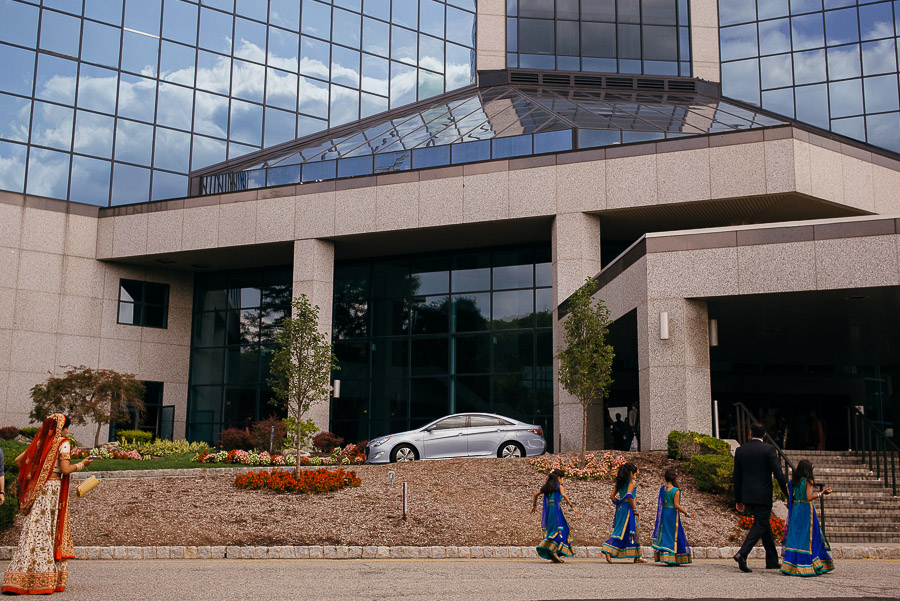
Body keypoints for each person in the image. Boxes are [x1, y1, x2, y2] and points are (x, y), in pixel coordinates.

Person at [1, 414, 93, 595]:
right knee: (48, 530)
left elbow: (19, 461)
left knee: (34, 530)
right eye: (67, 427)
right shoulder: (62, 443)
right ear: (62, 428)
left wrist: (37, 469)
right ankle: (44, 578)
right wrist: (82, 464)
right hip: (52, 490)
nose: (67, 431)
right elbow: (65, 469)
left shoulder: (41, 443)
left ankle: (21, 578)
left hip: (38, 490)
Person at [732, 422, 788, 573]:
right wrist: (787, 492)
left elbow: (736, 476)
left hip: (747, 494)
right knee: (761, 523)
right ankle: (742, 553)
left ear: (750, 434)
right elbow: (778, 474)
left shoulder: (740, 450)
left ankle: (771, 560)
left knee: (764, 524)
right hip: (763, 494)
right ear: (764, 435)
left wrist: (738, 498)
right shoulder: (769, 450)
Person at [781, 460, 834, 577]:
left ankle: (790, 565)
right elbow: (810, 497)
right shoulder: (808, 481)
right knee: (808, 535)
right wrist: (822, 493)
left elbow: (792, 498)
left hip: (796, 509)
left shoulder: (792, 483)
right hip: (806, 509)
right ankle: (807, 564)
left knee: (796, 535)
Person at [602, 462, 646, 563]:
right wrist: (634, 509)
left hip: (620, 508)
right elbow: (629, 495)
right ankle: (607, 548)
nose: (636, 475)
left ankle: (637, 556)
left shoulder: (620, 482)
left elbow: (612, 496)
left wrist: (619, 502)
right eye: (635, 473)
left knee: (621, 529)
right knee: (629, 530)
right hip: (628, 508)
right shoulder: (632, 482)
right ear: (631, 472)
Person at [531, 468, 579, 563]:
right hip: (557, 512)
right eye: (563, 478)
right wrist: (572, 506)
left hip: (550, 513)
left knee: (553, 530)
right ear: (559, 478)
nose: (563, 481)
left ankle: (553, 554)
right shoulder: (559, 486)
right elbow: (564, 495)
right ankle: (553, 551)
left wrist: (534, 506)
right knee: (563, 530)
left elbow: (535, 495)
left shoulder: (547, 487)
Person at [651, 468, 693, 565]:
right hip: (672, 514)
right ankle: (673, 557)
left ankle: (665, 556)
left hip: (665, 513)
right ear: (675, 478)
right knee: (674, 533)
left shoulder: (663, 489)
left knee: (666, 533)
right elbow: (676, 505)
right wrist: (687, 514)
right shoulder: (675, 490)